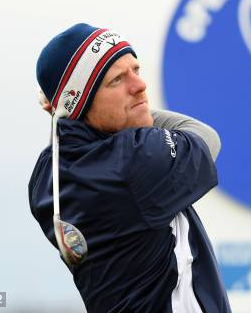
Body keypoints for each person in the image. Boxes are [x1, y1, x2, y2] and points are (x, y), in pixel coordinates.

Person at [29, 23, 231, 312]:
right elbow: (205, 138)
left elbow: (72, 133)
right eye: (117, 80)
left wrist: (65, 112)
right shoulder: (135, 158)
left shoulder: (45, 175)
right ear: (80, 102)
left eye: (136, 70)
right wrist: (136, 117)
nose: (139, 86)